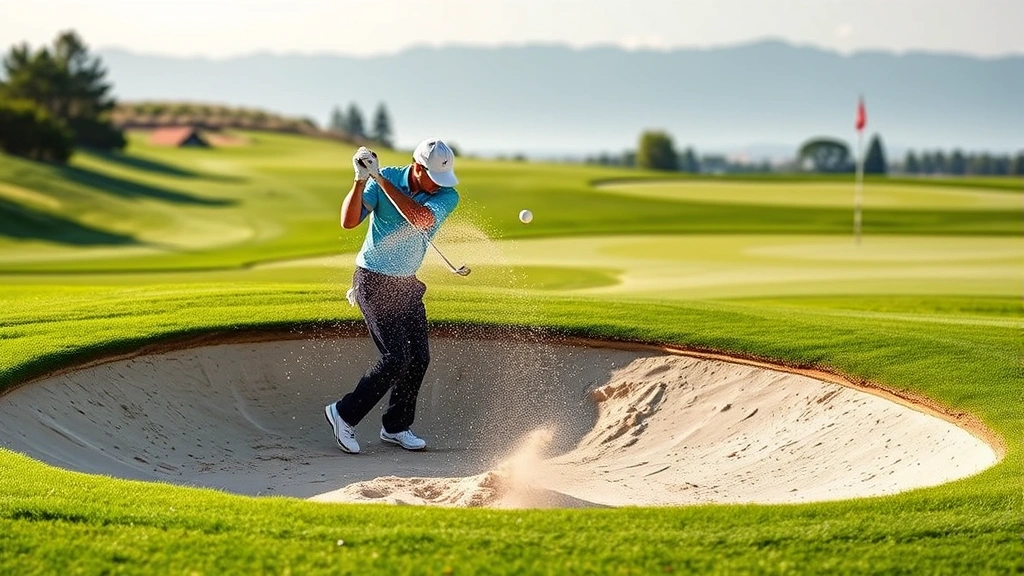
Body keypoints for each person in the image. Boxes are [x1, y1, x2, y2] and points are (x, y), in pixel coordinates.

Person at [324, 138, 460, 454]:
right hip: (372, 280)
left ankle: (396, 427)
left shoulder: (446, 195)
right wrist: (359, 182)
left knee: (419, 359)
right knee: (395, 357)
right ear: (417, 167)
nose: (437, 186)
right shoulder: (384, 178)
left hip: (407, 284)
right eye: (433, 178)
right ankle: (344, 413)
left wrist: (380, 178)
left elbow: (420, 219)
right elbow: (348, 221)